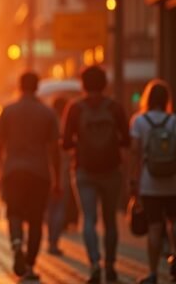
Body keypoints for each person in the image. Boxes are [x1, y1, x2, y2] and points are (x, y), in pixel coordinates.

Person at [63, 65, 130, 284]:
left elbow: (65, 142)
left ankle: (94, 264)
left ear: (82, 84)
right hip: (111, 171)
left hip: (84, 171)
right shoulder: (114, 108)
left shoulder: (75, 108)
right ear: (104, 83)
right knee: (110, 221)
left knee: (88, 219)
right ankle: (110, 266)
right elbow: (127, 140)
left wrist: (80, 143)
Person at [0, 72, 60, 281]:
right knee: (36, 220)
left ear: (19, 86)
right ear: (37, 87)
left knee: (14, 213)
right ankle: (29, 265)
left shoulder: (8, 111)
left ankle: (16, 244)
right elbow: (54, 149)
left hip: (13, 172)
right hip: (39, 173)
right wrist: (57, 178)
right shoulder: (47, 113)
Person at [129, 80, 176, 284]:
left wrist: (134, 181)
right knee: (174, 223)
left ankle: (153, 273)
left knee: (155, 227)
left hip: (149, 182)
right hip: (173, 181)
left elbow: (135, 154)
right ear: (166, 99)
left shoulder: (139, 121)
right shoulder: (174, 121)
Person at [46, 96, 73, 256]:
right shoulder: (65, 124)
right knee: (59, 207)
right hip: (62, 170)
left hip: (45, 169)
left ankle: (51, 239)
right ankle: (53, 242)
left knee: (50, 208)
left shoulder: (48, 123)